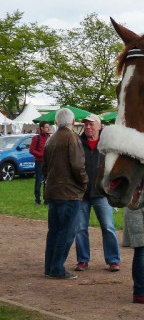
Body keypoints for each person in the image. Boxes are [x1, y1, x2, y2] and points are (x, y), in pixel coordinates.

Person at [43, 108, 88, 280]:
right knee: (67, 231)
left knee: (54, 231)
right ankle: (56, 268)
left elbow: (44, 167)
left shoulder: (51, 139)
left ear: (56, 121)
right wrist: (84, 182)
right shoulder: (71, 138)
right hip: (68, 192)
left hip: (53, 190)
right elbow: (77, 166)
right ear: (73, 120)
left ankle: (50, 267)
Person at [74, 114, 121, 272]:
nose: (88, 127)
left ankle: (113, 260)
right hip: (82, 193)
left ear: (100, 126)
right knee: (80, 228)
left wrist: (113, 186)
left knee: (108, 227)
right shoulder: (78, 143)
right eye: (86, 125)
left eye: (91, 125)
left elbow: (116, 166)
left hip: (102, 192)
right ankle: (82, 260)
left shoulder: (107, 145)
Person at [29, 121, 51, 205]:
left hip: (48, 162)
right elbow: (31, 150)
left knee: (47, 181)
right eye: (46, 127)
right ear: (41, 128)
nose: (48, 128)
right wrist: (41, 155)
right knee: (39, 181)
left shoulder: (49, 137)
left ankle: (46, 199)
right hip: (39, 162)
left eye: (49, 127)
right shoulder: (36, 138)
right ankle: (37, 200)